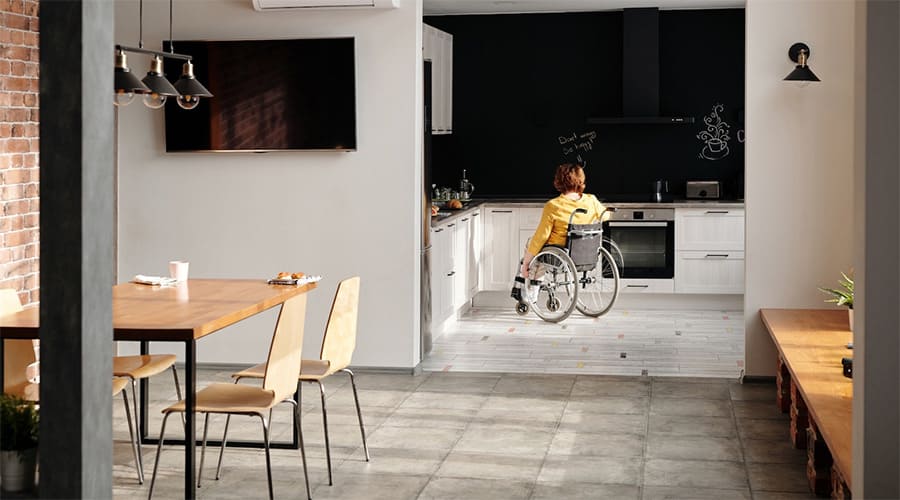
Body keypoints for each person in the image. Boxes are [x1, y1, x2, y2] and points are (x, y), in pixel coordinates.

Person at [511, 163, 606, 301]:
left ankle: (529, 292)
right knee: (539, 250)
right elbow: (606, 216)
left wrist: (526, 262)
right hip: (586, 254)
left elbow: (541, 236)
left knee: (533, 246)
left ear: (559, 181)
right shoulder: (591, 200)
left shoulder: (554, 205)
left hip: (559, 256)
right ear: (581, 179)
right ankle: (530, 288)